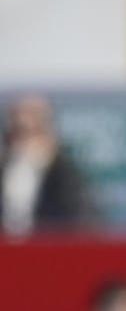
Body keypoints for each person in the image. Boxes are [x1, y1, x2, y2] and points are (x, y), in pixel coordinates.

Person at [0, 94, 94, 235]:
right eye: (17, 132)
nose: (23, 142)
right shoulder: (5, 169)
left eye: (32, 131)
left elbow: (81, 223)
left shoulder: (65, 175)